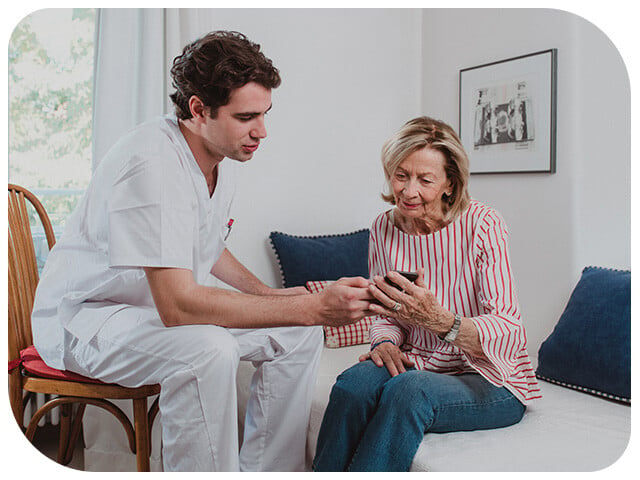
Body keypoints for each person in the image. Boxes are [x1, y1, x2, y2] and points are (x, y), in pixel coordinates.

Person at [31, 30, 372, 472]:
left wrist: (277, 299)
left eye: (265, 114)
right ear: (198, 109)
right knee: (209, 348)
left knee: (297, 333)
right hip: (90, 318)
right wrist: (311, 306)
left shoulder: (218, 159)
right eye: (247, 116)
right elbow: (178, 306)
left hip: (150, 311)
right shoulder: (152, 164)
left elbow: (207, 249)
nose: (262, 131)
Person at [313, 116, 541, 472]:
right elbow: (385, 312)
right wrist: (384, 343)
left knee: (409, 391)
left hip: (491, 376)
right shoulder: (384, 227)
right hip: (418, 360)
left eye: (424, 179)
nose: (408, 191)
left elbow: (508, 328)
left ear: (450, 183)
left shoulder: (484, 225)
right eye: (401, 175)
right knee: (352, 385)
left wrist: (440, 321)